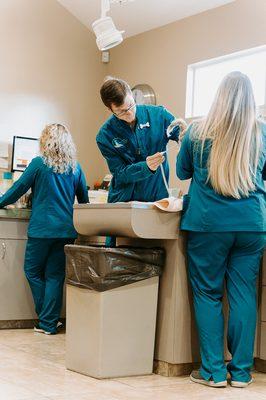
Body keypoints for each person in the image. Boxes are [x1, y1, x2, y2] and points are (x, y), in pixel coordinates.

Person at [176, 71, 266, 388]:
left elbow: (182, 170)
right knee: (243, 296)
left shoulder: (198, 132)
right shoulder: (261, 133)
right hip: (251, 225)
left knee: (208, 294)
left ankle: (213, 372)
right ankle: (241, 373)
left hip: (208, 224)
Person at [0, 124, 88, 334]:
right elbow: (84, 200)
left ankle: (47, 320)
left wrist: (0, 201)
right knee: (55, 276)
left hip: (42, 230)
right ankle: (49, 322)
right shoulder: (76, 167)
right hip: (66, 230)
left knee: (32, 271)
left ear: (45, 141)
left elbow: (19, 188)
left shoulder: (39, 163)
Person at [96, 77, 186, 203]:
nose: (130, 113)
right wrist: (146, 167)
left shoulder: (159, 115)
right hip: (124, 201)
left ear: (132, 96)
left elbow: (184, 136)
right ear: (110, 110)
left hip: (156, 197)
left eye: (131, 105)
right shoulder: (105, 135)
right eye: (121, 111)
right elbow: (120, 173)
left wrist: (185, 139)